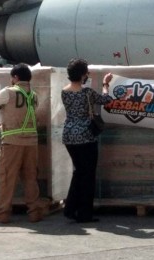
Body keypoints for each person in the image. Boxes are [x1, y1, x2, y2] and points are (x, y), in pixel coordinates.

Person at [0, 63, 43, 223]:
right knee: (30, 178)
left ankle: (3, 214)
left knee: (7, 178)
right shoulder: (34, 95)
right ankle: (34, 212)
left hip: (12, 142)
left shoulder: (9, 92)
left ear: (15, 78)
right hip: (31, 142)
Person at [61, 58, 113, 223]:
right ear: (83, 74)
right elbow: (106, 100)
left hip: (69, 135)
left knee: (79, 172)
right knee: (87, 175)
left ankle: (70, 208)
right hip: (86, 136)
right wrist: (105, 84)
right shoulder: (87, 93)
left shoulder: (64, 91)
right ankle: (84, 213)